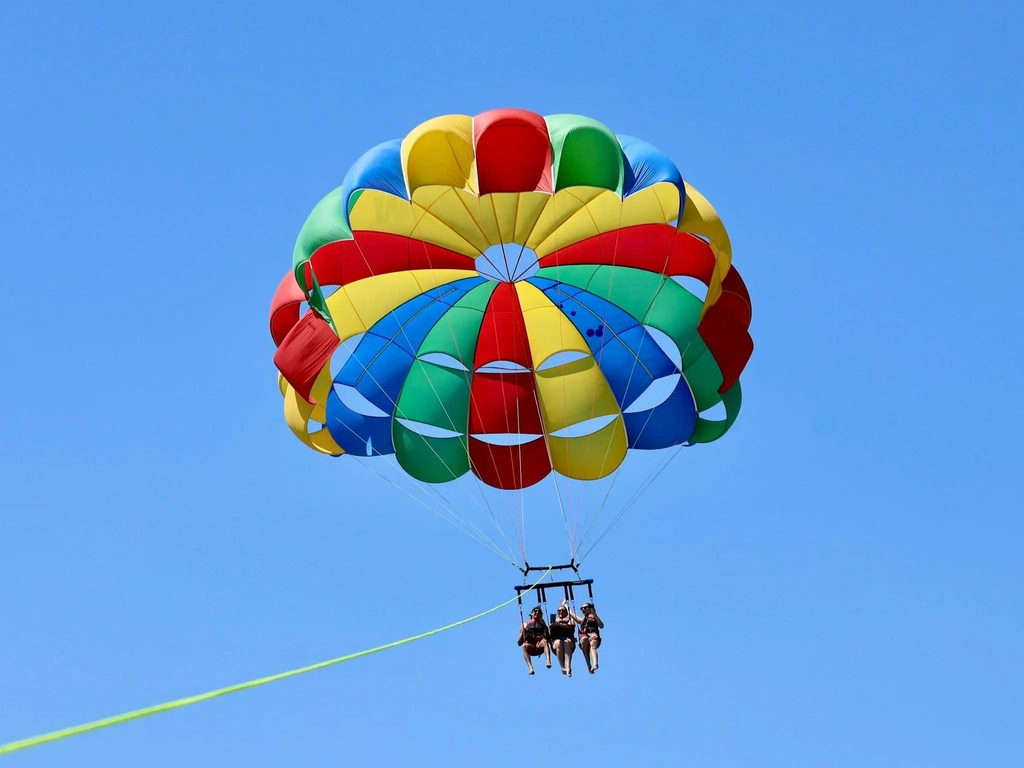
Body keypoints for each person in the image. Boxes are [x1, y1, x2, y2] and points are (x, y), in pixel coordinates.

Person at [567, 601, 604, 673]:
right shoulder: (582, 620)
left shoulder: (594, 616)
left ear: (590, 608)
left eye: (585, 608)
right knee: (584, 641)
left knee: (592, 646)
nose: (583, 609)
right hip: (584, 637)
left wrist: (594, 613)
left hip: (593, 635)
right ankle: (589, 665)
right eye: (581, 608)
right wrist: (565, 605)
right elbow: (571, 613)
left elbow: (601, 625)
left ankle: (595, 664)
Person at [517, 605, 552, 675]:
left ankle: (548, 660)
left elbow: (548, 639)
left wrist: (548, 628)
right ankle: (530, 667)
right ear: (531, 614)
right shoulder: (525, 624)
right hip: (530, 646)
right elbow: (519, 643)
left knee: (544, 642)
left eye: (539, 612)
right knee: (524, 646)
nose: (536, 613)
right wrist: (522, 633)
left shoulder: (543, 625)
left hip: (540, 645)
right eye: (535, 612)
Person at [551, 601, 577, 676]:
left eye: (563, 610)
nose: (561, 612)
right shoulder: (554, 620)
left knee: (566, 642)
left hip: (568, 641)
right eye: (559, 611)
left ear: (566, 612)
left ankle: (568, 667)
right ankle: (562, 667)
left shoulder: (570, 619)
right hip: (556, 642)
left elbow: (572, 625)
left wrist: (558, 625)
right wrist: (563, 626)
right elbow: (551, 627)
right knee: (558, 642)